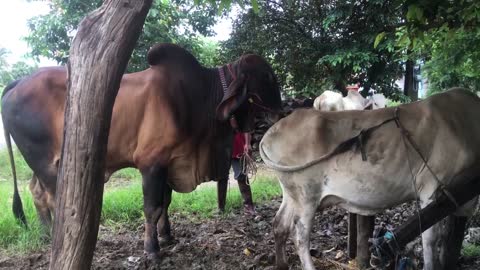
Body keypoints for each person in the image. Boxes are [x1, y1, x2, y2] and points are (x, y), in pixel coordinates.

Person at [217, 132, 255, 215]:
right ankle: (221, 208)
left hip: (237, 142)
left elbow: (246, 125)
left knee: (241, 174)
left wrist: (247, 143)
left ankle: (248, 206)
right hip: (222, 142)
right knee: (221, 177)